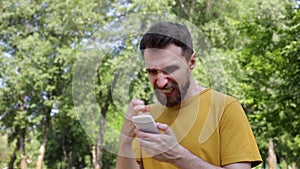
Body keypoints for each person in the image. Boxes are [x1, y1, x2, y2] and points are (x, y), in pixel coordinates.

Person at [116, 21, 262, 169]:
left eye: (170, 69)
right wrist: (125, 140)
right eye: (152, 72)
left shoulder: (225, 108)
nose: (160, 82)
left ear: (191, 62)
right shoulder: (148, 116)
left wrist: (179, 156)